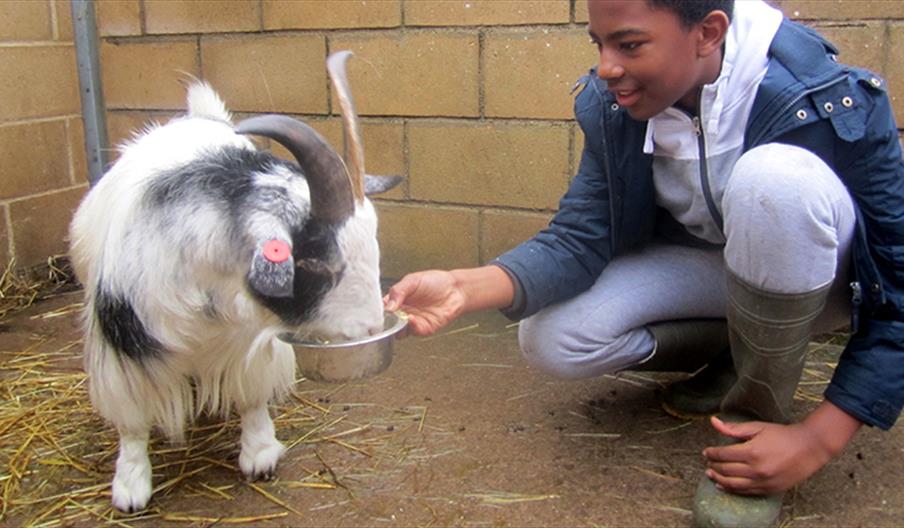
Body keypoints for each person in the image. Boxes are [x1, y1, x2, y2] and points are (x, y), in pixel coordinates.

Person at [384, 0, 904, 526]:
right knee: (554, 337)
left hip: (822, 287)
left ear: (707, 33)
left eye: (629, 45)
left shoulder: (825, 97)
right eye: (599, 44)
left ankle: (754, 425)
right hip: (718, 275)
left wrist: (818, 439)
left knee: (775, 183)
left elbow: (900, 283)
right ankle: (736, 357)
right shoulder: (619, 105)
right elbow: (580, 236)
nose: (607, 67)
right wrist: (461, 286)